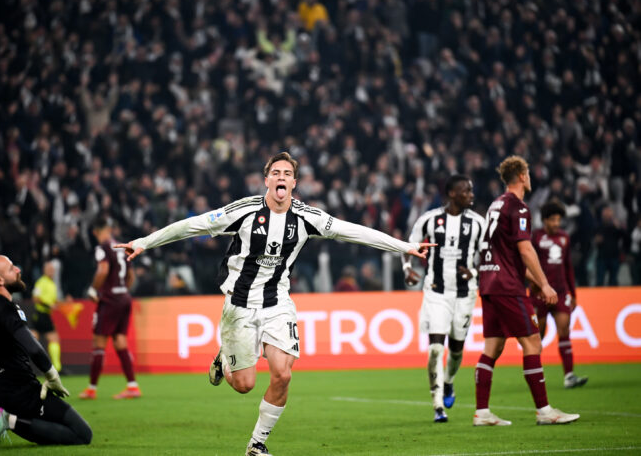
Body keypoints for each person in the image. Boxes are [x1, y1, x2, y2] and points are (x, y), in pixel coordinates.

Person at [115, 152, 433, 456]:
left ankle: (257, 444)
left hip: (278, 301)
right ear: (266, 180)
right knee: (244, 385)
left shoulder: (307, 217)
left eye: (287, 174)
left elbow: (353, 232)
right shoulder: (244, 211)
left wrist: (405, 247)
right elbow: (193, 225)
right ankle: (224, 360)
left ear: (294, 183)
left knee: (283, 374)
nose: (281, 177)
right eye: (276, 173)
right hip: (239, 304)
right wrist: (145, 242)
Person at [474, 156, 579, 426]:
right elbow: (525, 249)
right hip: (508, 287)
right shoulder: (518, 207)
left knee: (493, 346)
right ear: (522, 176)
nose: (529, 177)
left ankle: (482, 413)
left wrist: (532, 279)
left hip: (489, 283)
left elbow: (506, 254)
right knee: (532, 342)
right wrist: (544, 284)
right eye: (528, 173)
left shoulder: (495, 205)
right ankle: (544, 411)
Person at [0, 255, 92, 448]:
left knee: (60, 431)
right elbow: (34, 349)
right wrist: (52, 376)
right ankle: (5, 420)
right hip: (23, 394)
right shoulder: (6, 309)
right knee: (83, 435)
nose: (18, 270)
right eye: (11, 268)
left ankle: (8, 420)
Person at [402, 174, 486, 423]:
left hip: (465, 293)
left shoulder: (478, 223)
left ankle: (449, 381)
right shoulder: (429, 219)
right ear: (451, 193)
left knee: (457, 350)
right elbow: (408, 246)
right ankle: (438, 405)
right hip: (436, 292)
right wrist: (407, 269)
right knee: (436, 348)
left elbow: (489, 256)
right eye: (466, 191)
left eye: (471, 190)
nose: (471, 195)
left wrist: (474, 272)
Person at [79, 217, 140, 400]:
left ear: (95, 232)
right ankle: (132, 386)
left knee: (99, 343)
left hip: (109, 300)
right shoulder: (121, 247)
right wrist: (122, 291)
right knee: (120, 341)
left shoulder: (102, 248)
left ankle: (91, 389)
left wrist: (93, 289)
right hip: (124, 298)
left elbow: (103, 270)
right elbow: (131, 275)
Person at [530, 200, 588, 388]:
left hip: (561, 292)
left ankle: (569, 376)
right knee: (538, 336)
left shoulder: (564, 237)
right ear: (544, 220)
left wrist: (573, 293)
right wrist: (534, 286)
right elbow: (527, 264)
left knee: (564, 331)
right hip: (540, 294)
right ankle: (534, 375)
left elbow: (568, 266)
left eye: (558, 220)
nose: (556, 223)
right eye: (553, 220)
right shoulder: (535, 237)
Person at [30, 260, 63, 371]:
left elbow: (54, 301)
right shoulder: (41, 282)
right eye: (49, 269)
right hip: (40, 314)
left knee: (38, 339)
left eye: (52, 270)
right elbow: (35, 298)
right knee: (47, 339)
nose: (51, 271)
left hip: (46, 315)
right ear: (44, 270)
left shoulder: (52, 284)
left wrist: (62, 304)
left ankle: (56, 367)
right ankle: (57, 368)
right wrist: (49, 305)